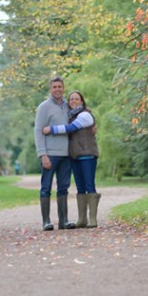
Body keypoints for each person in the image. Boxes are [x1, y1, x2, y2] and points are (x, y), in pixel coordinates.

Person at [43, 90, 100, 228]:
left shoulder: (85, 115)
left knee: (89, 185)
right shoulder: (70, 116)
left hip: (87, 155)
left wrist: (51, 129)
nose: (73, 101)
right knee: (80, 187)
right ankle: (82, 219)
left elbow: (70, 128)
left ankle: (93, 219)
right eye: (71, 99)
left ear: (82, 101)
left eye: (76, 99)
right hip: (74, 156)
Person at [34, 76, 76, 231]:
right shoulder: (44, 107)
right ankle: (46, 221)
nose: (58, 89)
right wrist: (42, 154)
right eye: (54, 87)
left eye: (60, 86)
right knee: (46, 187)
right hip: (50, 154)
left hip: (66, 154)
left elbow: (81, 118)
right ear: (50, 89)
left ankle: (63, 221)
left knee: (63, 187)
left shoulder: (68, 106)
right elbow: (38, 131)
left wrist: (92, 127)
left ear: (63, 88)